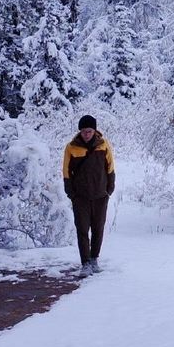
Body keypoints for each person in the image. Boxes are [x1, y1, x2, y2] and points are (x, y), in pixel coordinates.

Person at [62, 114, 115, 277]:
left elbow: (110, 167)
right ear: (80, 131)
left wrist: (109, 189)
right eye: (84, 131)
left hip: (100, 195)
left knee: (98, 229)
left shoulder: (104, 145)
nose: (87, 134)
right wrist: (71, 193)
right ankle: (85, 262)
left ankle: (94, 259)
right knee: (82, 229)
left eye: (90, 131)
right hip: (81, 197)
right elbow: (66, 171)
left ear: (94, 130)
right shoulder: (71, 147)